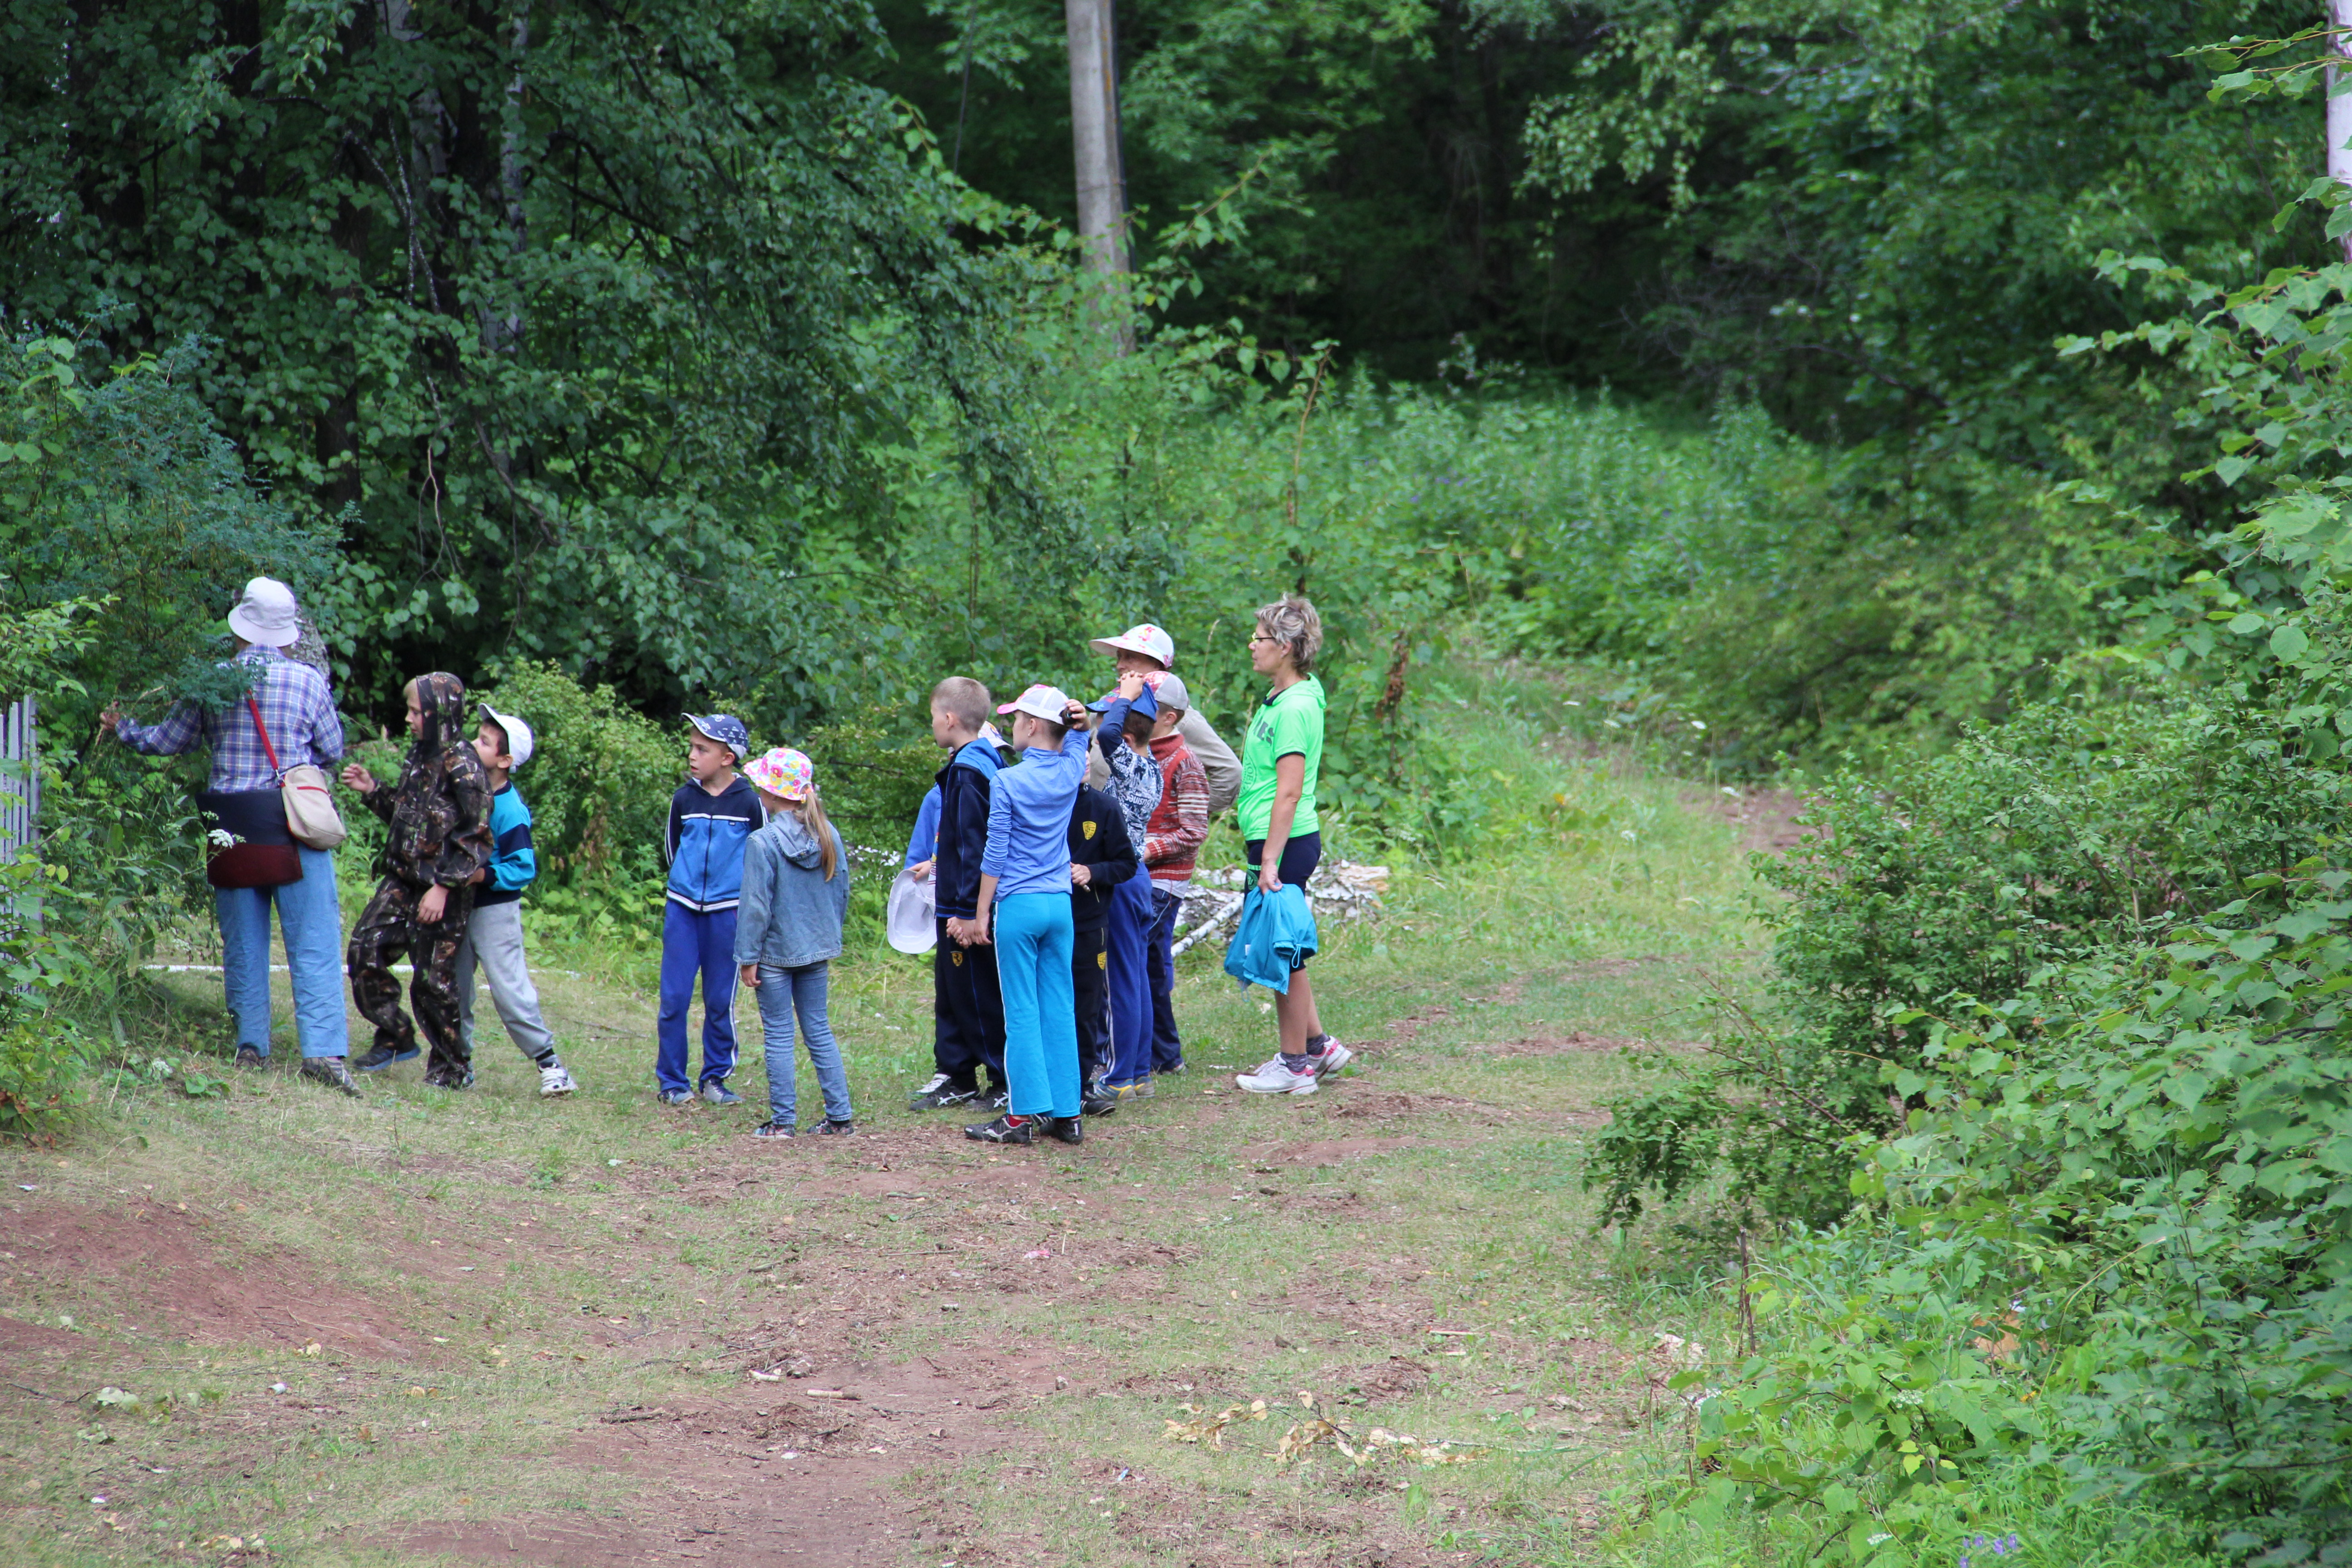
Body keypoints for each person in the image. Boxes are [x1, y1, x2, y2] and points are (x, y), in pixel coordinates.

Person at [103, 578, 358, 1093]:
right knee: (313, 938)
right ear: (288, 632)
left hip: (231, 827)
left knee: (243, 940)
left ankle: (251, 1046)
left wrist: (122, 727)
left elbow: (167, 741)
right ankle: (324, 1053)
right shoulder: (309, 682)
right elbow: (332, 749)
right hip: (294, 825)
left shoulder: (213, 681)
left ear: (241, 625)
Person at [341, 673, 494, 1089]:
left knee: (433, 983)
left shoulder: (464, 764)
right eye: (408, 710)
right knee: (364, 948)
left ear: (437, 712)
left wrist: (443, 887)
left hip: (442, 891)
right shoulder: (420, 754)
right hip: (402, 880)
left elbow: (476, 837)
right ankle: (395, 1035)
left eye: (415, 711)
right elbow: (410, 819)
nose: (408, 719)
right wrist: (372, 790)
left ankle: (452, 1070)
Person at [1230, 595, 1355, 1095]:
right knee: (1290, 950)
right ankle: (1320, 1048)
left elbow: (1290, 789)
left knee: (1282, 952)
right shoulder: (1287, 697)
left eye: (1259, 638)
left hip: (1284, 843)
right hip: (1277, 840)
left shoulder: (1297, 707)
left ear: (1284, 647)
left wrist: (1269, 859)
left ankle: (1295, 1067)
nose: (1252, 646)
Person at [960, 684, 1091, 1147]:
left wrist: (980, 913)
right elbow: (1080, 737)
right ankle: (1068, 1114)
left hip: (1019, 905)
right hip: (1060, 905)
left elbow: (995, 855)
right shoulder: (1073, 770)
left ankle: (1019, 1119)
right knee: (1060, 1006)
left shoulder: (1008, 781)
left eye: (1017, 719)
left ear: (1033, 726)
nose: (1012, 726)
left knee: (1021, 1010)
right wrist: (1081, 721)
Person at [450, 703, 579, 1097]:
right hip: (457, 906)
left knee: (509, 989)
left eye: (485, 742)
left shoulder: (510, 810)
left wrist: (483, 875)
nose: (474, 743)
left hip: (494, 909)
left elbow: (524, 868)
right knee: (453, 987)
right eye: (477, 735)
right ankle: (457, 1065)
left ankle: (551, 1064)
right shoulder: (463, 788)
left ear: (505, 761)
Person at [735, 748, 853, 1139]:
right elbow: (841, 892)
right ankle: (840, 1118)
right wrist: (827, 936)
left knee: (779, 1034)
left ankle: (783, 1123)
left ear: (769, 792)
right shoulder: (827, 833)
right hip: (816, 949)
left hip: (773, 955)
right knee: (818, 1029)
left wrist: (747, 957)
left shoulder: (761, 842)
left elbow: (755, 907)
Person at [909, 681, 1009, 1112]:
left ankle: (1004, 1078)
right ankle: (957, 1074)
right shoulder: (963, 763)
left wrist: (971, 913)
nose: (932, 723)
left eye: (934, 716)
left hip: (967, 910)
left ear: (949, 719)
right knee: (950, 992)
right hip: (949, 902)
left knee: (978, 993)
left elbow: (973, 845)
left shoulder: (972, 771)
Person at [657, 714, 763, 1107]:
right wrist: (685, 889)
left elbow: (760, 860)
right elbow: (672, 850)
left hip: (728, 915)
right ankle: (671, 1081)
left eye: (703, 749)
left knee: (720, 1000)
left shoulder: (750, 802)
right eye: (692, 747)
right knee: (675, 999)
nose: (692, 755)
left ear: (727, 758)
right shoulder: (683, 798)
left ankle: (715, 1078)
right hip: (683, 911)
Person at [1088, 676, 1163, 1103]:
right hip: (1139, 877)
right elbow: (1114, 731)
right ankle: (1137, 1073)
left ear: (1128, 731)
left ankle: (1118, 1078)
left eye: (1109, 714)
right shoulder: (1149, 764)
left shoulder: (1132, 763)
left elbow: (1109, 734)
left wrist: (1128, 697)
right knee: (1134, 976)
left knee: (1119, 982)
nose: (1101, 725)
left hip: (1123, 880)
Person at [1085, 623, 1240, 815]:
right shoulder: (1103, 706)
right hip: (1094, 831)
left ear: (1158, 666)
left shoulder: (1177, 718)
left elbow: (1229, 771)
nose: (1120, 665)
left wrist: (1182, 818)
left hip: (1147, 841)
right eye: (1119, 657)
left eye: (1131, 657)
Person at [1138, 673, 1210, 1075]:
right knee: (1148, 965)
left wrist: (1147, 850)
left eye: (1143, 708)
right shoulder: (1142, 756)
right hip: (1139, 878)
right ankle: (1167, 1056)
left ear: (1168, 717)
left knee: (1129, 959)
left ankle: (1134, 1056)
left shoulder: (1186, 764)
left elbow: (1194, 831)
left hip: (1164, 883)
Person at [1067, 778, 1139, 1113]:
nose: (1079, 761)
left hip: (1089, 922)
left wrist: (1092, 872)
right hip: (1041, 918)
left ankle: (1080, 1087)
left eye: (1085, 753)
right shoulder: (1035, 799)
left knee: (1086, 1006)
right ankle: (1034, 1087)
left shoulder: (1104, 807)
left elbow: (1127, 864)